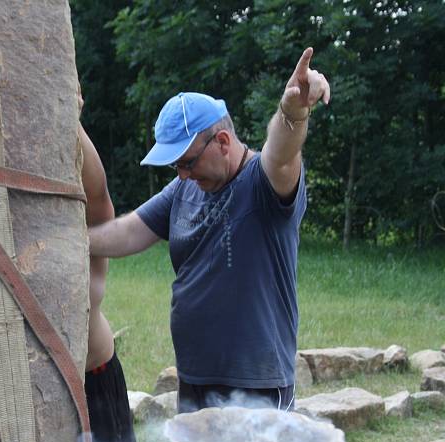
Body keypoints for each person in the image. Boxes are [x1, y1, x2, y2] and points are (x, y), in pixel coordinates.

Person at [88, 48, 330, 414]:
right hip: (196, 378)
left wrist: (292, 111)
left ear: (222, 142)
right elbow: (130, 231)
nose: (182, 174)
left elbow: (282, 152)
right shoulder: (185, 188)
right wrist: (73, 242)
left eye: (186, 162)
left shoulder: (262, 184)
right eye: (175, 166)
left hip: (256, 386)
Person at [80, 124, 146, 442]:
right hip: (36, 388)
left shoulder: (87, 238)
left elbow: (98, 193)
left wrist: (70, 118)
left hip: (94, 380)